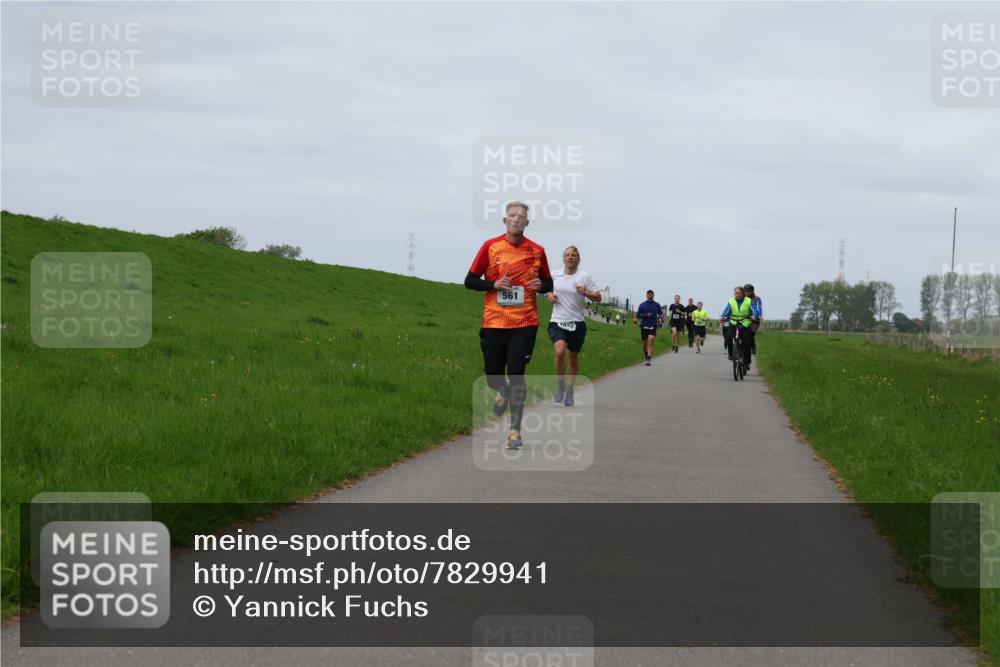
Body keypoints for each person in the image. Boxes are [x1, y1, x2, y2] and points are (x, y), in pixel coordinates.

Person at [465, 201, 553, 450]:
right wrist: (493, 285)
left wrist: (541, 286)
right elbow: (469, 281)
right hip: (494, 321)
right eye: (512, 216)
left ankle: (515, 430)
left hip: (525, 322)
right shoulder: (490, 247)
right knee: (493, 377)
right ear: (505, 221)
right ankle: (501, 391)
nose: (516, 219)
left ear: (527, 223)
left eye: (521, 216)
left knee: (517, 374)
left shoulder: (537, 251)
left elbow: (548, 283)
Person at [547, 245, 601, 407]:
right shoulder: (554, 275)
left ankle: (570, 389)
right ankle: (560, 385)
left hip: (577, 322)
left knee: (573, 357)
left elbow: (597, 297)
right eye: (567, 255)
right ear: (563, 258)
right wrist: (549, 295)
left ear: (578, 259)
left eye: (573, 255)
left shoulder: (584, 277)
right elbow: (546, 290)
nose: (570, 257)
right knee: (560, 351)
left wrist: (586, 293)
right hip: (557, 320)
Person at [720, 286, 756, 371]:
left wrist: (754, 315)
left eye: (739, 293)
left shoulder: (749, 301)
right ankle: (731, 354)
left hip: (745, 324)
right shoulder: (731, 301)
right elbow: (727, 310)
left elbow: (753, 310)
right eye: (736, 293)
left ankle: (747, 362)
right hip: (734, 323)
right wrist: (723, 316)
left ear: (743, 293)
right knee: (728, 337)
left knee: (746, 343)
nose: (737, 295)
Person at [633, 290, 662, 366]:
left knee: (651, 341)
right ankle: (646, 353)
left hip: (653, 326)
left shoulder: (657, 305)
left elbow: (660, 314)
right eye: (648, 294)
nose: (650, 295)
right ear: (646, 295)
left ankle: (648, 359)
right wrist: (646, 315)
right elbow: (638, 315)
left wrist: (660, 319)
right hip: (644, 326)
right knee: (644, 344)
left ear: (653, 295)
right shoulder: (642, 305)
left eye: (651, 294)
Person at [743, 283, 763, 354]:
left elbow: (758, 308)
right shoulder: (743, 299)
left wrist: (758, 315)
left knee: (751, 333)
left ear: (752, 291)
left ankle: (752, 346)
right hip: (744, 319)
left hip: (754, 320)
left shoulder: (756, 299)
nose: (746, 293)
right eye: (744, 291)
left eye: (748, 291)